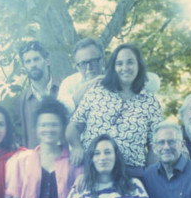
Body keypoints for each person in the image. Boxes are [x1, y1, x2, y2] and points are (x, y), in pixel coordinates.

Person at [66, 43, 162, 175]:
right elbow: (73, 127)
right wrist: (77, 147)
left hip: (131, 174)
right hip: (94, 170)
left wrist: (151, 176)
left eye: (130, 62)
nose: (125, 68)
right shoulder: (97, 92)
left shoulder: (150, 102)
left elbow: (154, 145)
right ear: (113, 67)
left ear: (139, 65)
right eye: (119, 64)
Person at [59, 37, 162, 114]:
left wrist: (117, 79)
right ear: (77, 66)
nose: (88, 67)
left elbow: (154, 82)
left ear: (103, 60)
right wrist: (87, 87)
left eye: (93, 61)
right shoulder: (70, 83)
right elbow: (60, 110)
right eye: (83, 63)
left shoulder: (116, 76)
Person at [14, 40, 60, 148]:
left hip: (65, 155)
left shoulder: (64, 88)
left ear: (47, 61)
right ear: (24, 66)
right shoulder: (21, 101)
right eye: (28, 61)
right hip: (35, 156)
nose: (32, 65)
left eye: (36, 59)